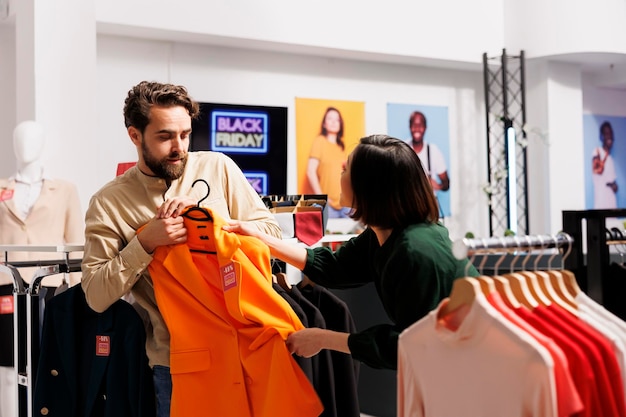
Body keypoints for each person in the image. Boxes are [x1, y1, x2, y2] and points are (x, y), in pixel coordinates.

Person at [80, 81, 282, 417]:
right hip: (178, 364)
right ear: (135, 135)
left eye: (185, 134)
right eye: (165, 137)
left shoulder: (219, 168)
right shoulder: (108, 203)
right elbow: (96, 294)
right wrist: (144, 243)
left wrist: (210, 224)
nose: (179, 147)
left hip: (248, 350)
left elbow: (271, 238)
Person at [225, 134, 478, 370]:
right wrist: (262, 239)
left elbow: (411, 345)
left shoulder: (414, 251)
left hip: (475, 367)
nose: (340, 173)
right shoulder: (383, 234)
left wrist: (323, 338)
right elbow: (335, 268)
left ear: (369, 188)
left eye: (346, 170)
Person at [0, 120, 84, 417]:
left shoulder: (63, 189)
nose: (25, 145)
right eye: (19, 139)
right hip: (6, 284)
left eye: (32, 139)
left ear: (43, 143)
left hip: (50, 284)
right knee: (9, 362)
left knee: (48, 357)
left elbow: (75, 241)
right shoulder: (2, 189)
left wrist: (78, 293)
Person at [306, 106, 352, 218]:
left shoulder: (342, 148)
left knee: (350, 234)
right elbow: (310, 171)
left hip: (346, 203)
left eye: (337, 120)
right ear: (324, 124)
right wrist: (322, 198)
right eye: (330, 118)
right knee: (330, 234)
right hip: (329, 204)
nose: (333, 122)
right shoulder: (319, 141)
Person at [408, 111, 449, 193]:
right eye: (414, 125)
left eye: (420, 125)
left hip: (428, 204)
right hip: (408, 204)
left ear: (425, 128)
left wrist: (438, 186)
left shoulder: (433, 151)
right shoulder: (403, 149)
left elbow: (446, 184)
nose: (417, 129)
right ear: (410, 127)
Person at [592, 121, 618, 209]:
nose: (609, 136)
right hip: (601, 202)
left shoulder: (611, 159)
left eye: (610, 133)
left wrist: (614, 186)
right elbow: (598, 170)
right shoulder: (597, 152)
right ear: (602, 136)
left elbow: (612, 182)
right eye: (606, 133)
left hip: (611, 202)